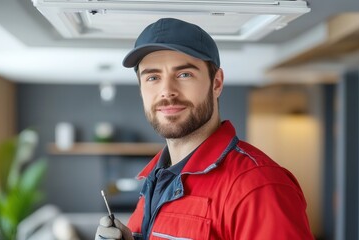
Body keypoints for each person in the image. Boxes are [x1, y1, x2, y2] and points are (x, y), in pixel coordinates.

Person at [95, 18, 314, 240]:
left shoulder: (258, 186)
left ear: (216, 83)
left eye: (184, 74)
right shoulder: (155, 180)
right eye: (153, 77)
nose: (167, 91)